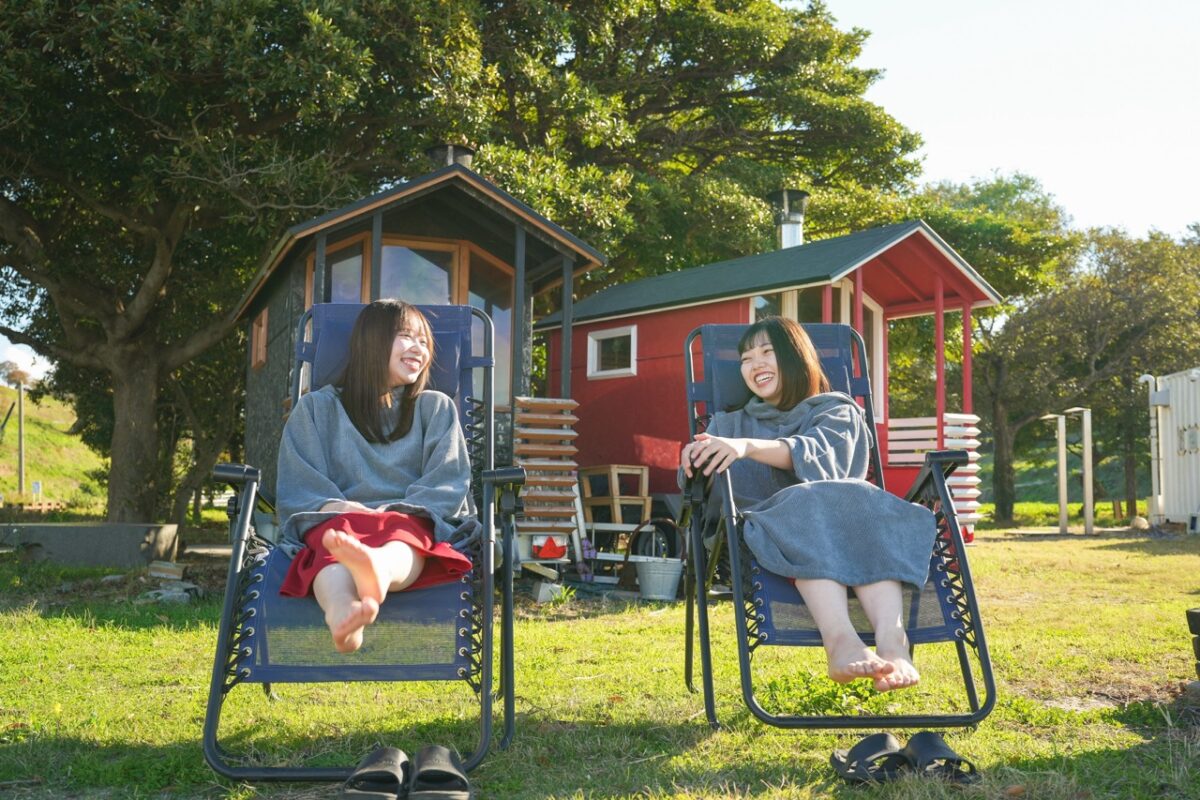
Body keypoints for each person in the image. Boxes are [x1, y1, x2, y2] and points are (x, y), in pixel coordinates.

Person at [681, 316, 936, 692]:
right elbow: (696, 484)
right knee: (809, 504)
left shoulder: (837, 411)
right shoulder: (727, 425)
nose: (754, 364)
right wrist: (693, 459)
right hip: (761, 540)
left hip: (852, 531)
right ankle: (841, 642)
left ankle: (893, 642)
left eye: (767, 352)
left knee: (860, 500)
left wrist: (748, 448)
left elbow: (823, 458)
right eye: (746, 359)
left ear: (797, 357)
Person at [275, 299, 478, 653]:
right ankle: (343, 613)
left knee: (404, 540)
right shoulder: (316, 409)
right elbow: (299, 482)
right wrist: (342, 508)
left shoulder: (435, 407)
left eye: (424, 342)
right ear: (372, 340)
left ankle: (377, 571)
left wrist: (390, 513)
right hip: (338, 518)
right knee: (331, 548)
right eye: (406, 336)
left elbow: (447, 480)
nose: (419, 349)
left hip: (408, 518)